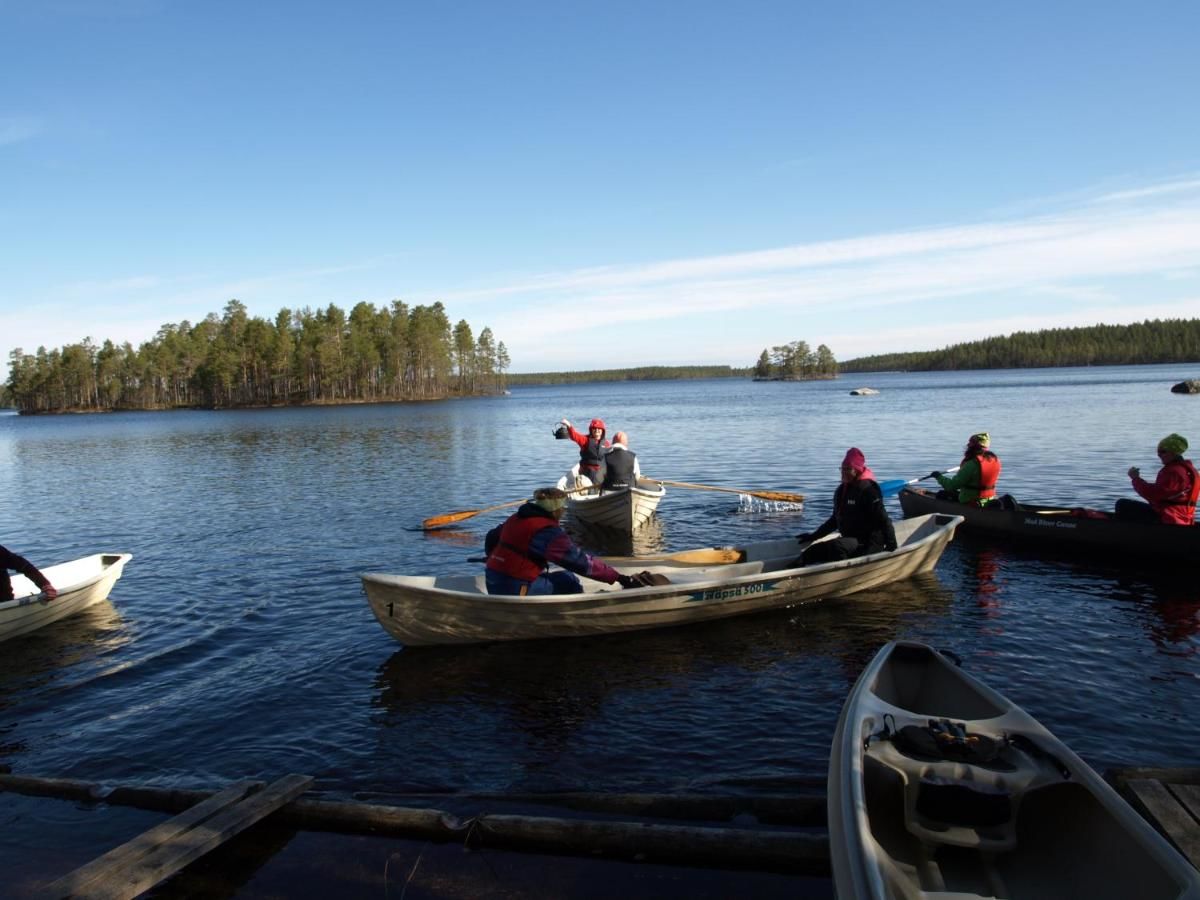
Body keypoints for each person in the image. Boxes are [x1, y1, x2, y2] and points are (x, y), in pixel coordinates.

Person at [484, 487, 655, 595]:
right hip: (512, 589)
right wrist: (618, 577)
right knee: (568, 580)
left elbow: (491, 537)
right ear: (557, 510)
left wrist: (495, 557)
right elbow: (580, 562)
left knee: (559, 576)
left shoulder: (517, 517)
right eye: (562, 509)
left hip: (492, 578)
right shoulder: (547, 532)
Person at [795, 448, 897, 565]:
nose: (843, 472)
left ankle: (841, 575)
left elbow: (884, 520)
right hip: (851, 541)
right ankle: (787, 572)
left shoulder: (869, 490)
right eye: (842, 469)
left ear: (857, 470)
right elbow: (834, 520)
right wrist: (813, 536)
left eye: (848, 469)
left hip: (870, 543)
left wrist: (891, 546)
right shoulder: (841, 491)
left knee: (837, 546)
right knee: (812, 551)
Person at [1115, 433, 1198, 525]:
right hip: (1184, 517)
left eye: (1163, 451)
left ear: (1174, 452)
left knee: (1122, 504)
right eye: (1158, 451)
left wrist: (1135, 479)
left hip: (1169, 517)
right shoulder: (1187, 470)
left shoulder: (1174, 471)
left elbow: (1153, 494)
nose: (1159, 455)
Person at [931, 432, 1002, 506]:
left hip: (972, 501)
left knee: (941, 494)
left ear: (975, 446)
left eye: (970, 443)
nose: (968, 445)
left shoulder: (971, 464)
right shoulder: (996, 460)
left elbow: (951, 486)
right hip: (989, 500)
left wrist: (938, 477)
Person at [560, 418, 610, 487]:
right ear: (591, 430)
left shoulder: (607, 443)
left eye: (599, 428)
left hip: (600, 473)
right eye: (594, 428)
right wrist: (569, 425)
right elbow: (574, 436)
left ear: (602, 430)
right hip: (587, 473)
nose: (597, 430)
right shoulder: (585, 440)